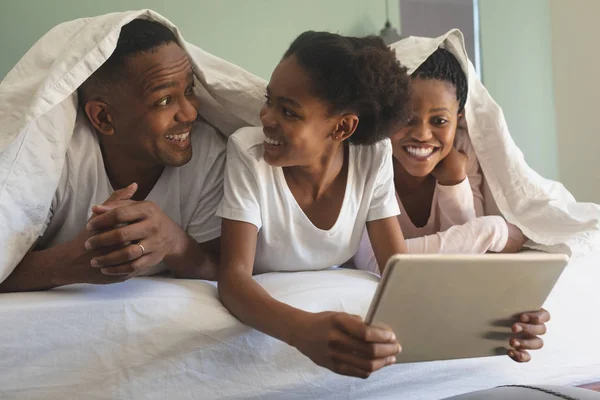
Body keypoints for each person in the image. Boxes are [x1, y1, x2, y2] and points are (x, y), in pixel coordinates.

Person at [217, 31, 412, 379]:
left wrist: (495, 323)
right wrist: (303, 331)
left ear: (342, 128)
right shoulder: (248, 153)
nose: (266, 118)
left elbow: (399, 273)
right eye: (269, 100)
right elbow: (232, 278)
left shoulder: (373, 156)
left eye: (288, 111)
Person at [0, 19, 224, 293]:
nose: (189, 113)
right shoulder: (51, 160)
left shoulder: (209, 153)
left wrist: (175, 243)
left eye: (189, 90)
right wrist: (72, 262)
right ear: (104, 117)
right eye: (164, 100)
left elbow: (225, 269)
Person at [355, 48, 548, 363]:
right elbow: (377, 264)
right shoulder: (367, 160)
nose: (422, 134)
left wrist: (454, 181)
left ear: (459, 120)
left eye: (439, 120)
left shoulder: (466, 155)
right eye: (406, 118)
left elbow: (469, 260)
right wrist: (493, 231)